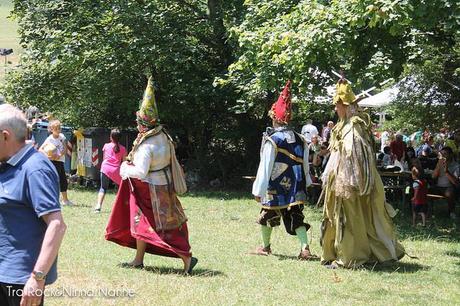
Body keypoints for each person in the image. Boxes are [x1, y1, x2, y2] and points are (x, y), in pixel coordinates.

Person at [105, 77, 197, 274]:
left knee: (157, 227)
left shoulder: (147, 145)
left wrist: (123, 169)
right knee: (143, 224)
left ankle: (186, 258)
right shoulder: (164, 136)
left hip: (149, 189)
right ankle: (138, 260)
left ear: (142, 125)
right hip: (164, 185)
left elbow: (140, 171)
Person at [319, 79, 405, 268]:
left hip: (351, 182)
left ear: (346, 105)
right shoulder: (343, 125)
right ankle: (337, 252)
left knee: (351, 217)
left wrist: (352, 181)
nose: (335, 109)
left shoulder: (354, 127)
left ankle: (352, 257)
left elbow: (357, 156)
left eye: (337, 105)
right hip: (341, 180)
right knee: (338, 216)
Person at [0, 104, 67, 306]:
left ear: (5, 136)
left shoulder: (35, 168)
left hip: (19, 281)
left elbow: (57, 224)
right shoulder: (8, 163)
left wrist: (37, 278)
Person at [252, 80, 315, 260]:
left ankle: (265, 247)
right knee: (296, 214)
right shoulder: (301, 138)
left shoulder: (273, 140)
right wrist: (307, 183)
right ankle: (305, 249)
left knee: (267, 212)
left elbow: (265, 166)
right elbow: (305, 164)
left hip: (275, 185)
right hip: (296, 184)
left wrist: (258, 190)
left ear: (275, 118)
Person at [39, 120, 73, 206]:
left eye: (59, 128)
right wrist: (48, 156)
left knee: (63, 181)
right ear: (51, 129)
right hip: (52, 162)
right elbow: (40, 149)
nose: (58, 130)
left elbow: (65, 149)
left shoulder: (62, 137)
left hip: (60, 161)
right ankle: (53, 201)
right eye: (56, 128)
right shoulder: (49, 139)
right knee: (54, 181)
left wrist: (60, 154)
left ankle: (65, 200)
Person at [94, 129, 127, 212]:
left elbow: (105, 157)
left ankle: (98, 206)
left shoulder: (106, 146)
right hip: (116, 170)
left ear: (111, 137)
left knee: (103, 188)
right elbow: (124, 162)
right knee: (123, 189)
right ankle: (121, 207)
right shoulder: (123, 149)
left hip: (105, 168)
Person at [431, 146, 460, 219]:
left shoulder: (456, 166)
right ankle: (427, 211)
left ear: (451, 155)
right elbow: (433, 176)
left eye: (445, 154)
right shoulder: (440, 163)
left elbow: (455, 182)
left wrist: (446, 171)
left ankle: (451, 212)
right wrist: (438, 165)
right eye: (442, 154)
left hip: (449, 187)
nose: (443, 156)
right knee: (425, 190)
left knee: (449, 193)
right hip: (438, 186)